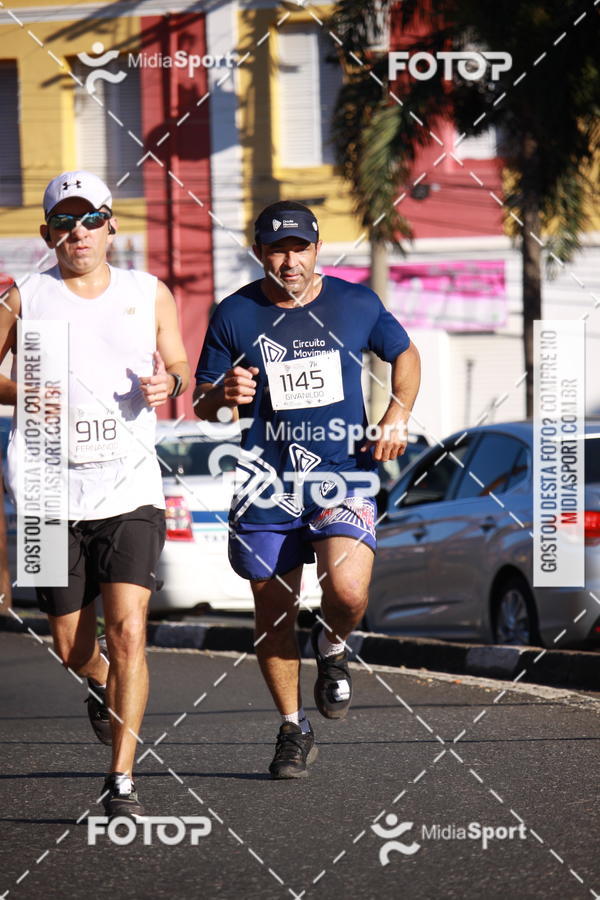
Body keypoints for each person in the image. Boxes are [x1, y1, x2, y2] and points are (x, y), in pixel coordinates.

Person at [194, 200, 420, 779]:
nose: (288, 260)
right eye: (276, 249)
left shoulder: (356, 302)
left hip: (340, 472)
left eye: (298, 248)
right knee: (273, 607)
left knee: (345, 592)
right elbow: (202, 403)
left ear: (316, 249)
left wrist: (397, 412)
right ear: (260, 253)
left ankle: (333, 644)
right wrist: (225, 394)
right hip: (265, 480)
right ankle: (294, 728)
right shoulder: (233, 314)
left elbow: (405, 354)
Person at [0, 170, 190, 817]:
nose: (77, 233)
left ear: (110, 224)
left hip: (129, 485)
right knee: (71, 647)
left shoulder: (148, 291)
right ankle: (99, 683)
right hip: (45, 488)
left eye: (89, 219)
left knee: (130, 631)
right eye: (64, 222)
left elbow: (179, 361)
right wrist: (22, 389)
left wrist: (171, 383)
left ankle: (121, 781)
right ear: (48, 232)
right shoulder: (24, 296)